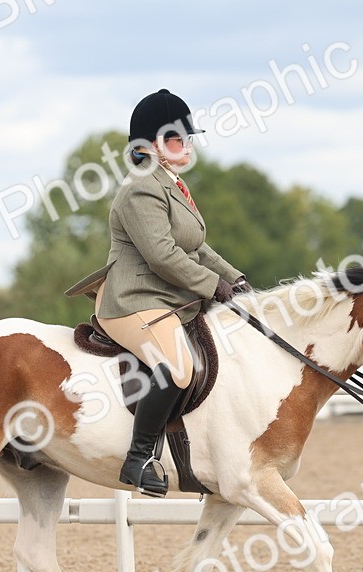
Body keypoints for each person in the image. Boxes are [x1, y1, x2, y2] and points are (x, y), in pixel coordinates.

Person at [65, 89, 251, 496]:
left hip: (165, 299)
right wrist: (211, 286)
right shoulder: (140, 189)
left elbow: (196, 246)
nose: (186, 145)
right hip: (132, 300)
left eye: (187, 138)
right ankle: (139, 457)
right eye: (176, 139)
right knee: (179, 367)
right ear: (150, 146)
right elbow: (163, 255)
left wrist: (235, 279)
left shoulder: (173, 185)